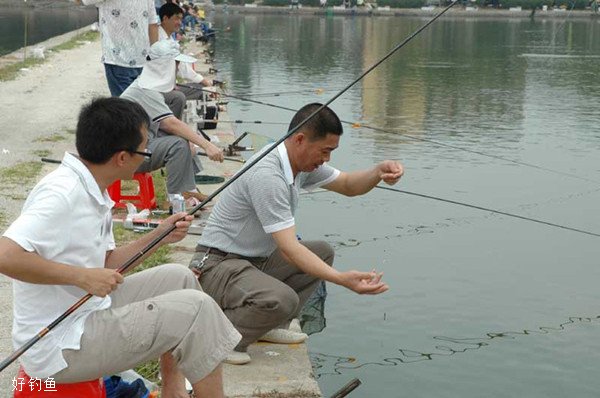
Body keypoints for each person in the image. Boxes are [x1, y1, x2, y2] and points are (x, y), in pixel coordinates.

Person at [0, 97, 240, 398]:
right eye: (145, 150)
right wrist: (82, 277)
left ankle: (174, 391)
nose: (147, 157)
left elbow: (107, 262)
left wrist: (160, 237)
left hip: (87, 311)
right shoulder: (63, 193)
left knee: (180, 278)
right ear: (122, 158)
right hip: (60, 346)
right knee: (198, 310)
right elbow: (5, 255)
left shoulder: (92, 188)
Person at [189, 103, 402, 365]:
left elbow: (348, 185)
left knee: (322, 253)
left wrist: (378, 172)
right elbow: (289, 249)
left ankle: (266, 327)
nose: (327, 159)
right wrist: (341, 279)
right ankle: (219, 339)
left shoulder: (296, 163)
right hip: (216, 265)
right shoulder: (269, 175)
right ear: (300, 140)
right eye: (325, 151)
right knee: (282, 298)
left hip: (251, 261)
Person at [121, 40, 224, 202]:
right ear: (164, 66)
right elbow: (171, 124)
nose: (177, 69)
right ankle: (177, 198)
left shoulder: (146, 85)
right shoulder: (146, 91)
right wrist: (207, 145)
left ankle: (188, 188)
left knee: (178, 104)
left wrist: (190, 139)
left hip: (138, 143)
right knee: (179, 144)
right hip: (127, 157)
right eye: (175, 64)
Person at [77, 0, 159, 97]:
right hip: (142, 61)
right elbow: (153, 25)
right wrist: (155, 59)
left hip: (118, 61)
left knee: (124, 108)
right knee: (140, 105)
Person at [158, 2, 215, 97]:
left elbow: (181, 66)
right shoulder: (162, 40)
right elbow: (182, 69)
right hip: (161, 89)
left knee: (198, 87)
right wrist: (204, 81)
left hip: (167, 85)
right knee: (200, 90)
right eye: (176, 19)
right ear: (165, 19)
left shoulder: (168, 38)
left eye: (181, 19)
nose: (180, 23)